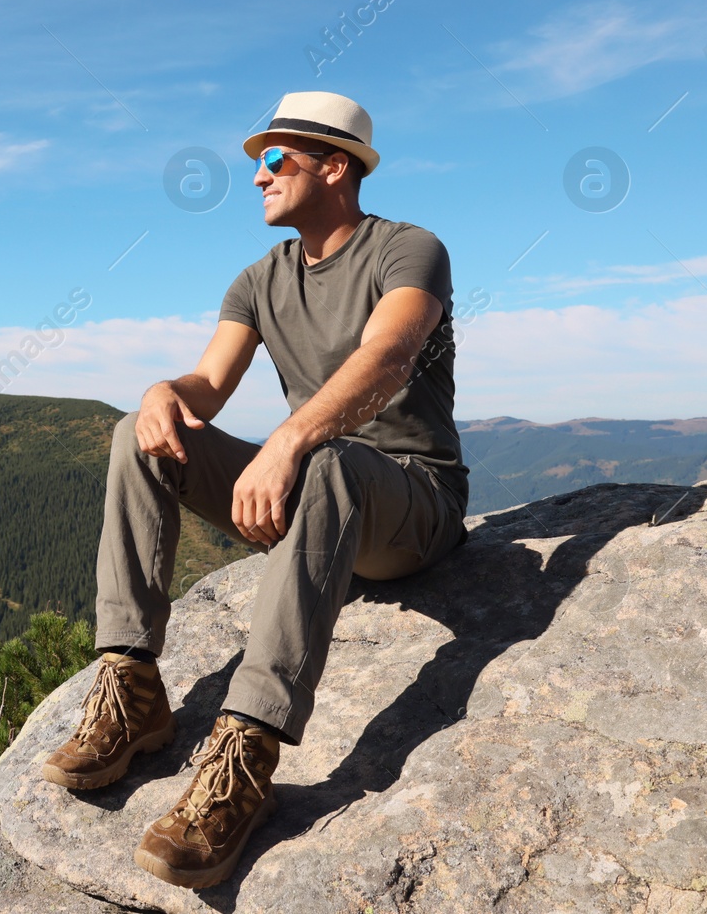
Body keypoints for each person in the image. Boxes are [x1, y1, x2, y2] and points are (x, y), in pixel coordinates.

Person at [40, 90, 470, 890]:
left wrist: (291, 438)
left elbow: (389, 355)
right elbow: (207, 381)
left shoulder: (409, 250)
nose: (258, 176)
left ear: (335, 166)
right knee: (141, 438)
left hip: (412, 503)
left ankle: (243, 755)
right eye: (257, 164)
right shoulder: (260, 278)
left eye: (275, 159)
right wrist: (162, 393)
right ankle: (131, 686)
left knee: (335, 463)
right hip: (311, 488)